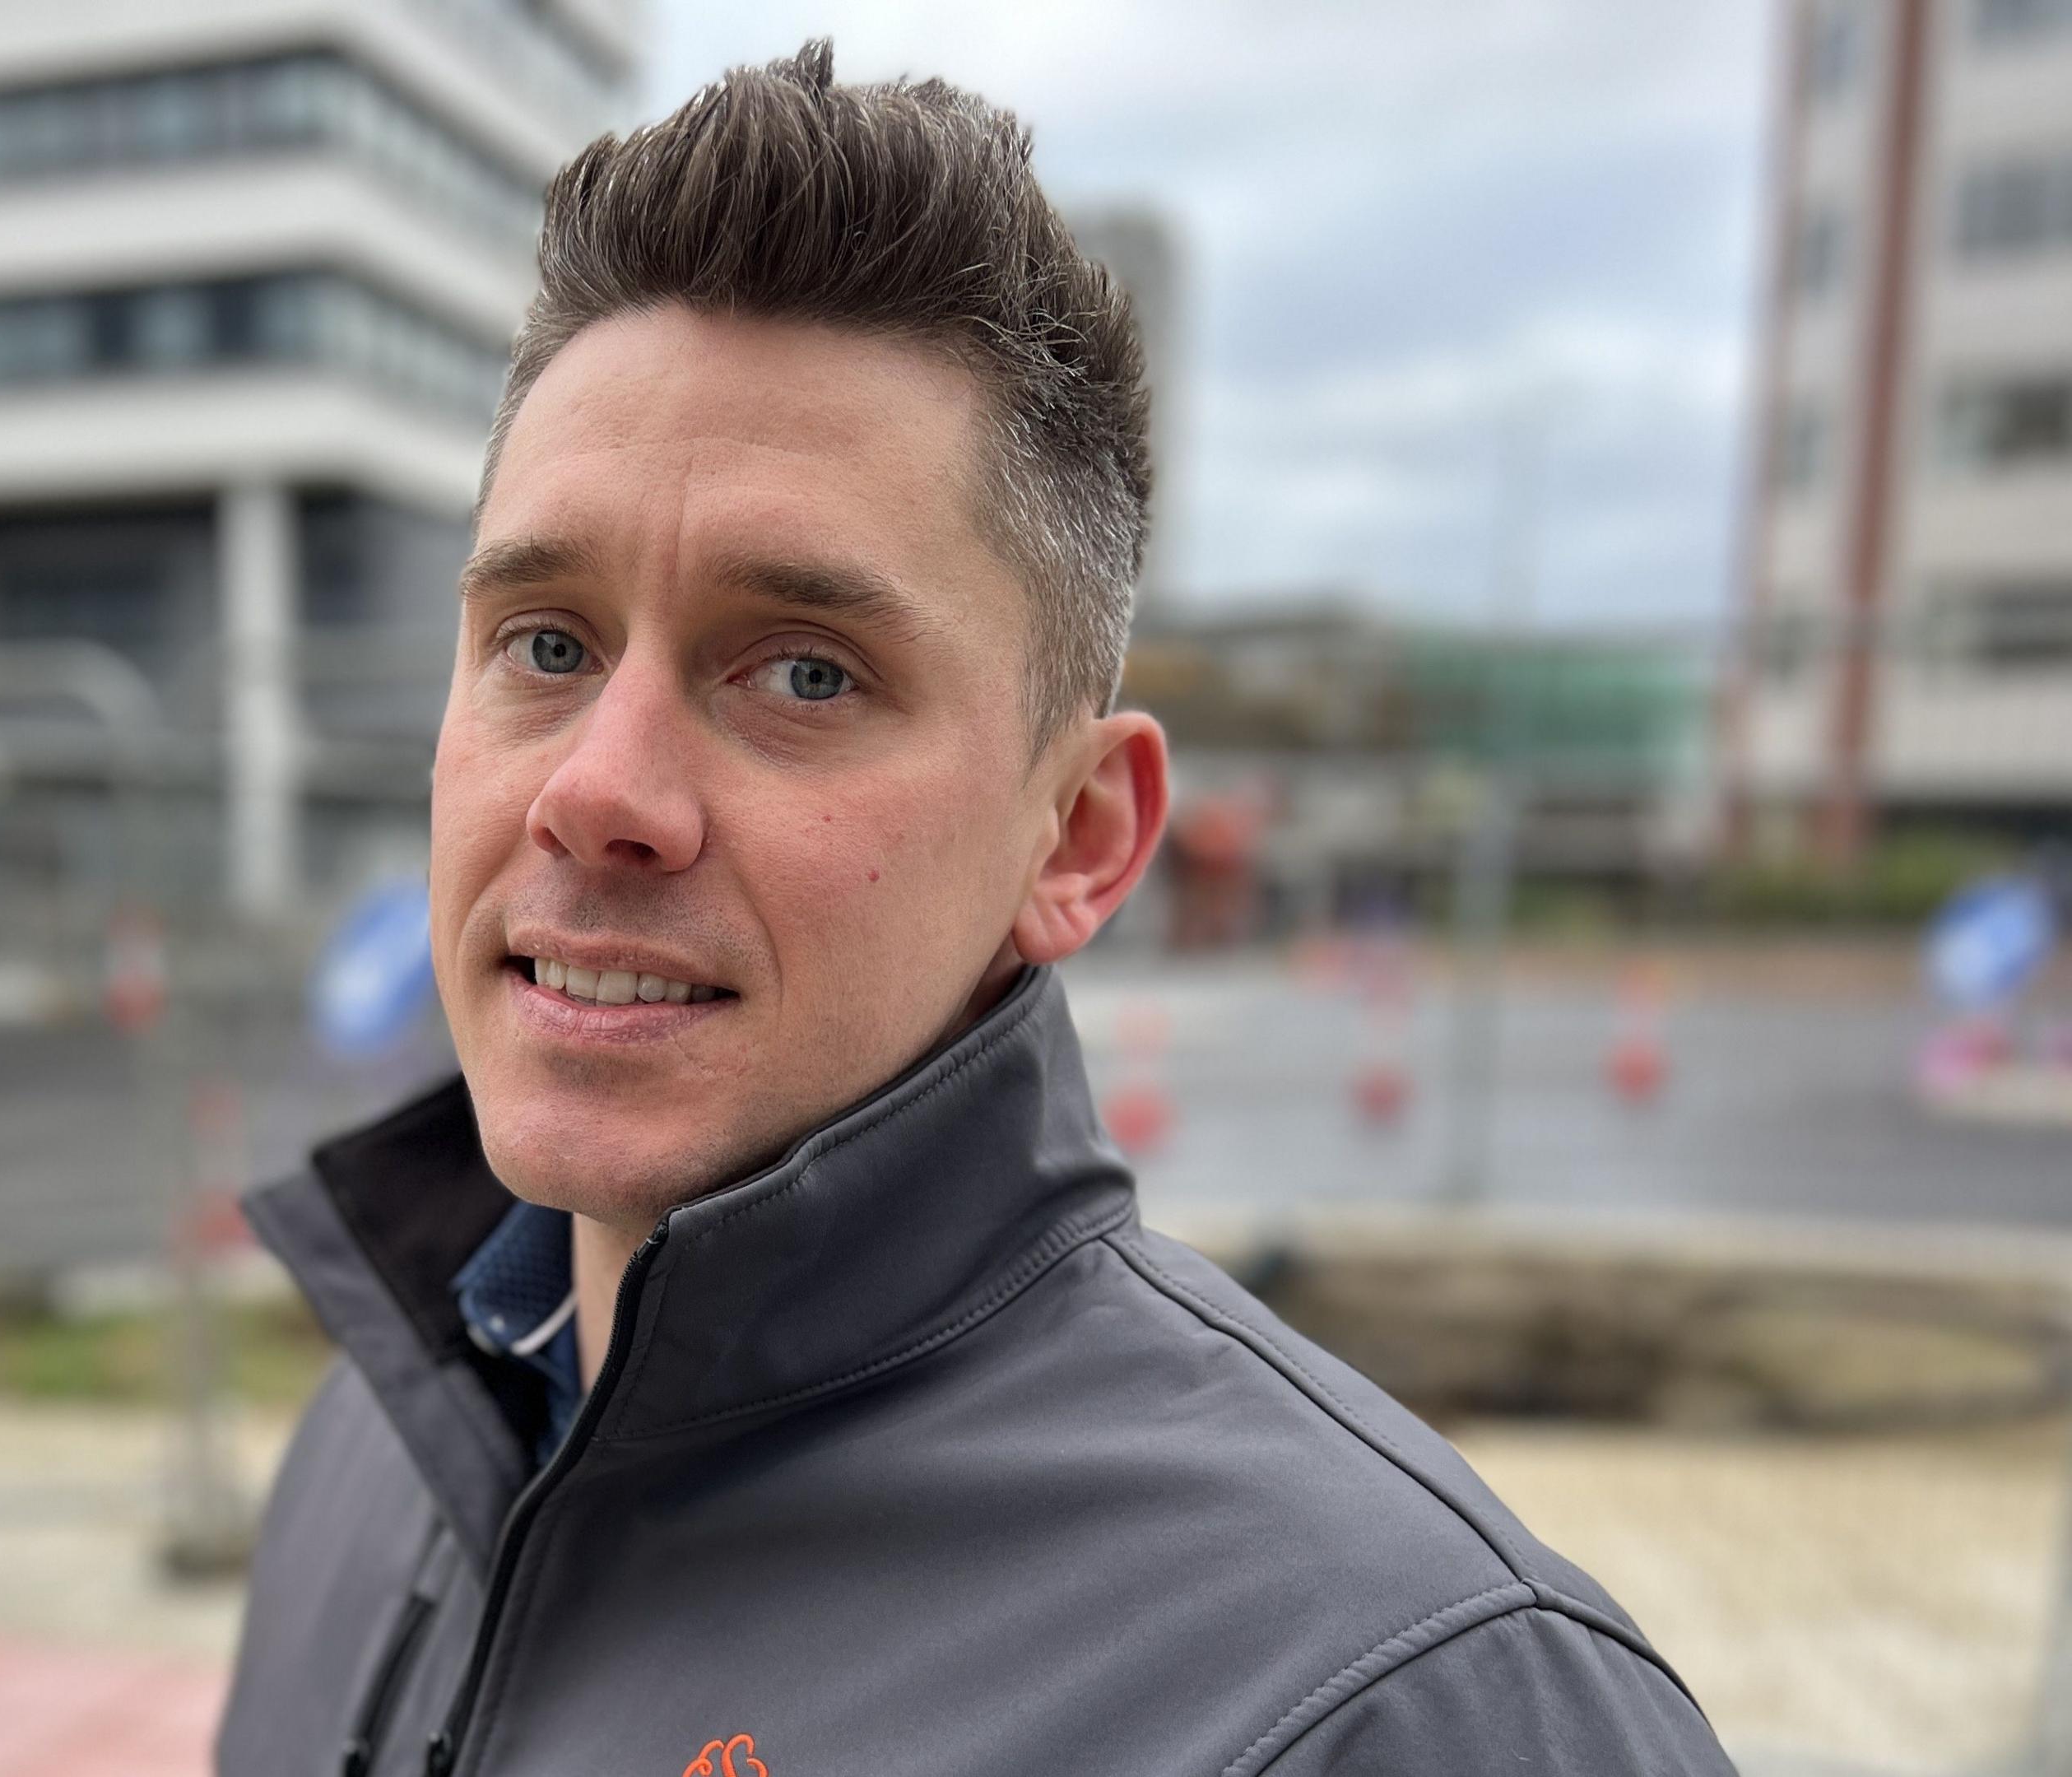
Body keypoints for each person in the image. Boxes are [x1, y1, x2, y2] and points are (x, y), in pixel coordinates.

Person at [220, 44, 1736, 1777]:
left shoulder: (1405, 1708)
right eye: (545, 645)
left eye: (803, 670)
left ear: (1078, 836)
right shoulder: (374, 1447)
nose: (597, 793)